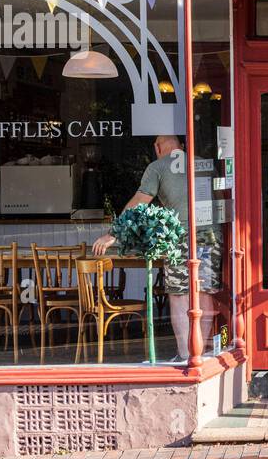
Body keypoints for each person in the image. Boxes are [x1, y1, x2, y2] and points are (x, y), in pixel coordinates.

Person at [91, 134, 221, 363]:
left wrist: (113, 233)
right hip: (211, 236)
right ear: (182, 145)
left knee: (180, 295)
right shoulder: (204, 164)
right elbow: (221, 197)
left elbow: (140, 202)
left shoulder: (157, 167)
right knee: (205, 291)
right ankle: (204, 352)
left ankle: (186, 354)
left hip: (181, 239)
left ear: (157, 147)